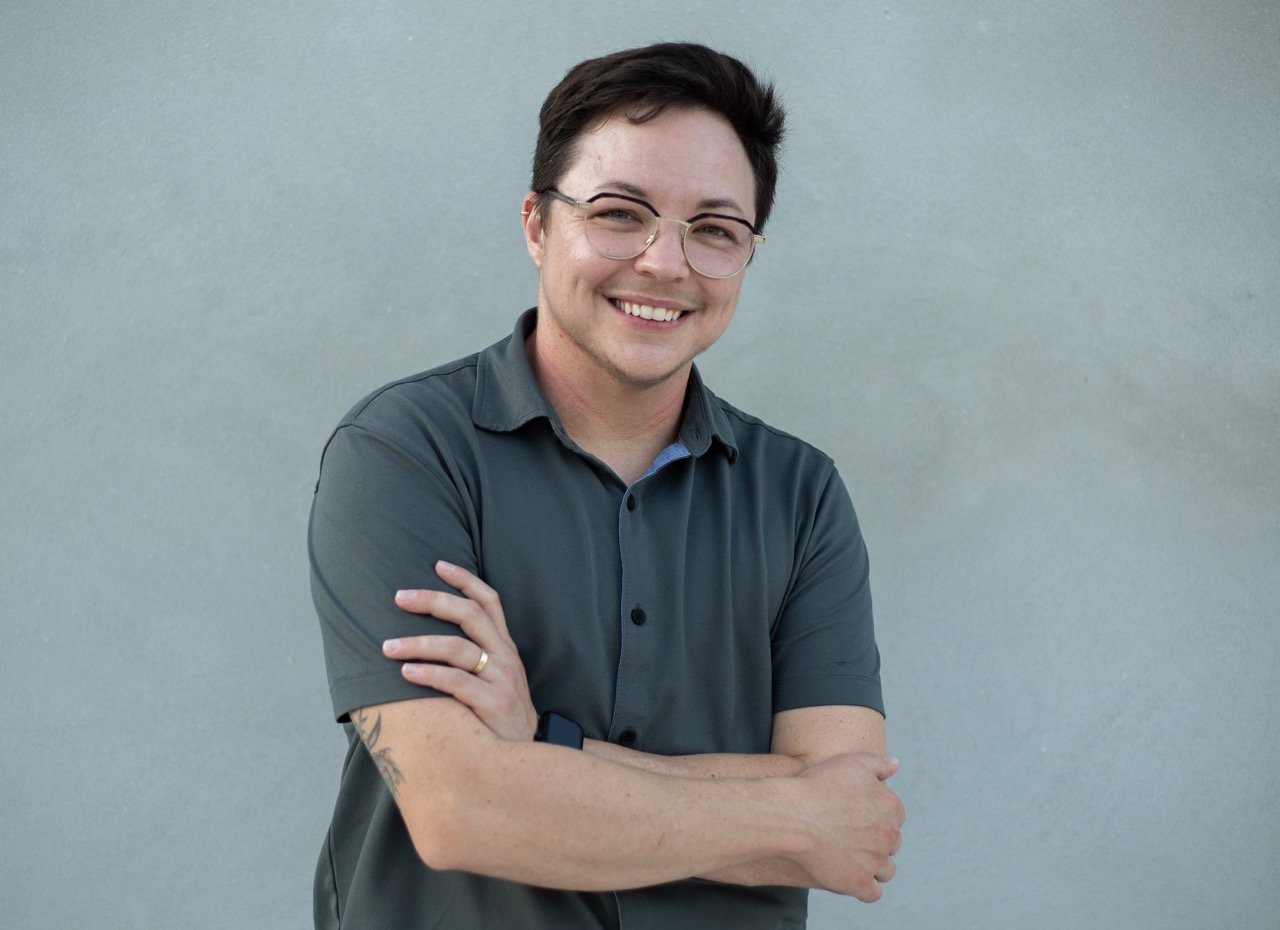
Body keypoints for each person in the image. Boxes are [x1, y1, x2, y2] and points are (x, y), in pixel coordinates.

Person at [309, 41, 904, 929]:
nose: (667, 264)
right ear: (537, 225)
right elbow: (461, 810)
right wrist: (784, 809)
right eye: (621, 214)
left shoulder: (802, 495)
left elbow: (854, 823)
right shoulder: (404, 450)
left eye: (714, 230)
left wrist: (540, 748)